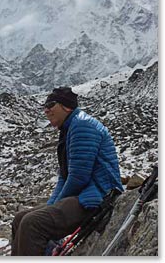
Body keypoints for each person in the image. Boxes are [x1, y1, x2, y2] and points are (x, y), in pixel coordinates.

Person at [11, 87, 123, 256]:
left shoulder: (82, 125)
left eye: (51, 104)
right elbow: (65, 177)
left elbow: (79, 178)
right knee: (20, 218)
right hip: (85, 193)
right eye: (45, 105)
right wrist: (51, 206)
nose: (46, 110)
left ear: (67, 106)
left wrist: (54, 206)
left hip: (99, 196)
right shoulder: (70, 127)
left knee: (32, 223)